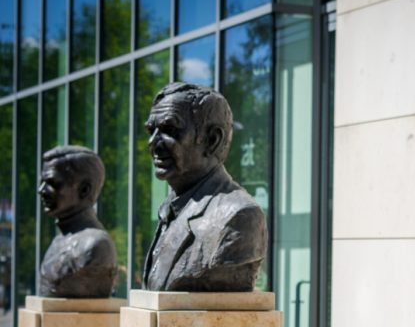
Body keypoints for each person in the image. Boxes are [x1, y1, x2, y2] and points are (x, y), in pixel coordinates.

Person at [142, 82, 267, 291]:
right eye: (151, 131)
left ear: (212, 140)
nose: (153, 143)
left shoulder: (239, 216)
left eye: (169, 130)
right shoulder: (170, 208)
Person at [39, 146, 117, 298]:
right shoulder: (60, 239)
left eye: (52, 183)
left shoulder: (95, 245)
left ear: (84, 190)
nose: (41, 190)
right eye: (42, 182)